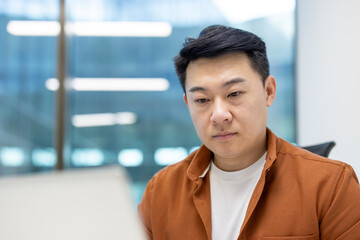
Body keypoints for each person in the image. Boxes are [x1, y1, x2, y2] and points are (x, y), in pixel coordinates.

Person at [138, 25, 360, 239]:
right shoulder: (160, 192)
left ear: (268, 91)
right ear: (188, 104)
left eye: (234, 94)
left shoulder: (331, 185)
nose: (219, 115)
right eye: (202, 100)